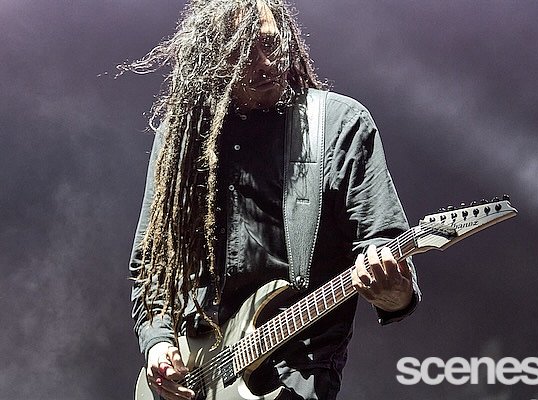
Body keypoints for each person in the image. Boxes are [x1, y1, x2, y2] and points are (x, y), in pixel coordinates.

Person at [127, 1, 421, 399]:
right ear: (210, 63)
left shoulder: (339, 126)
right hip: (199, 368)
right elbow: (153, 263)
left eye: (269, 43)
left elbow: (385, 248)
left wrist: (395, 290)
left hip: (297, 370)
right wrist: (158, 342)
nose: (265, 63)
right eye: (243, 52)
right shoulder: (184, 135)